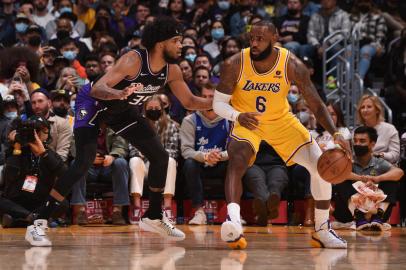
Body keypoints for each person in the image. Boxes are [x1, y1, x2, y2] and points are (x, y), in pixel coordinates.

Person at [25, 16, 212, 246]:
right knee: (83, 162)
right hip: (94, 104)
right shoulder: (133, 59)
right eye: (176, 40)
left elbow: (190, 101)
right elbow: (99, 88)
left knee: (161, 157)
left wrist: (224, 104)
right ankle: (38, 222)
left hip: (122, 109)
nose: (181, 45)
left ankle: (153, 216)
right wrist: (118, 94)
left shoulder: (171, 70)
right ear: (161, 43)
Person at [212, 20, 350, 249]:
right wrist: (236, 116)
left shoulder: (292, 64)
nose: (254, 43)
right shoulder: (234, 63)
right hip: (248, 120)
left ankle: (322, 230)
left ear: (274, 38)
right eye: (252, 38)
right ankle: (233, 221)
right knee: (237, 159)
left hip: (281, 121)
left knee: (320, 167)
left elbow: (315, 103)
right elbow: (217, 104)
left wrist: (335, 134)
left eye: (260, 39)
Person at [334, 126, 404, 231]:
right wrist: (361, 178)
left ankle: (378, 219)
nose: (357, 144)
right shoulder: (348, 159)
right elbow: (339, 172)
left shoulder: (378, 162)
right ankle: (359, 218)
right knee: (342, 180)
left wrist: (377, 178)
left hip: (374, 210)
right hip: (348, 213)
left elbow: (399, 172)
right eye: (355, 141)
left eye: (362, 141)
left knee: (391, 181)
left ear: (372, 144)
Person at [180, 85, 230, 225]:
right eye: (204, 97)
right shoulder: (190, 120)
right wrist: (206, 157)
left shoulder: (229, 120)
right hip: (199, 164)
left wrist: (219, 156)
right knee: (189, 163)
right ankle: (199, 212)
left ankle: (232, 213)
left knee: (236, 163)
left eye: (211, 97)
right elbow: (186, 150)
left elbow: (235, 150)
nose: (208, 100)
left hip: (221, 162)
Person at [129, 95, 179, 224]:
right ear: (145, 109)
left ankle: (167, 207)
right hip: (144, 164)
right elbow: (133, 149)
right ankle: (137, 206)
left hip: (161, 166)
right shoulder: (137, 125)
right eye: (150, 108)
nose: (153, 110)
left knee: (171, 161)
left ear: (162, 108)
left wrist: (155, 155)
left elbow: (173, 150)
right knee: (134, 160)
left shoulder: (171, 125)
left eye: (156, 107)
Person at [243, 141, 289, 226]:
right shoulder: (249, 128)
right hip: (254, 164)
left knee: (276, 181)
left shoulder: (281, 129)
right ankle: (271, 209)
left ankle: (263, 211)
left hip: (277, 165)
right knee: (257, 181)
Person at [357, 95, 400, 164]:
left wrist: (380, 155)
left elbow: (395, 155)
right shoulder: (357, 131)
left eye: (369, 107)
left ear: (377, 110)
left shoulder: (390, 129)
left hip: (385, 168)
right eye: (362, 107)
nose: (365, 110)